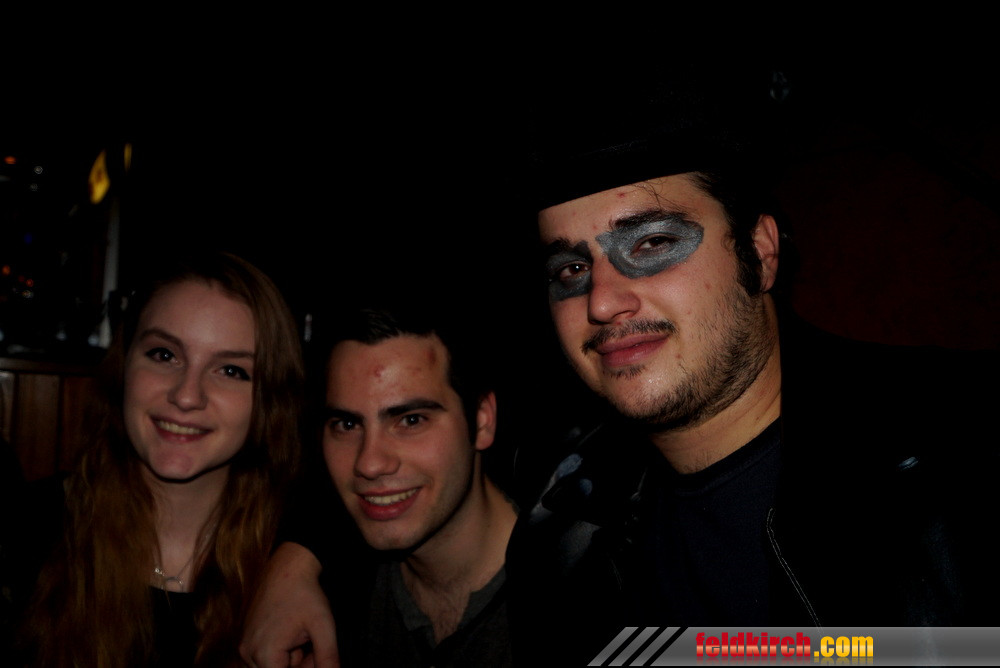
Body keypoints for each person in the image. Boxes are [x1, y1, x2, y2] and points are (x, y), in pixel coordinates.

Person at [240, 65, 1000, 667]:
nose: (602, 299)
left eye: (652, 243)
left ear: (760, 251)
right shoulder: (566, 515)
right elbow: (384, 455)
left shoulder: (961, 449)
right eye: (571, 269)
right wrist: (297, 561)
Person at [4, 250, 304, 667]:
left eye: (231, 370)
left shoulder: (299, 557)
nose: (186, 395)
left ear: (271, 399)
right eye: (164, 355)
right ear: (124, 365)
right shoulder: (26, 529)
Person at [245, 303, 517, 667]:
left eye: (411, 420)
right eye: (346, 425)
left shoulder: (577, 597)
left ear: (482, 421)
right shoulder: (328, 599)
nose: (369, 463)